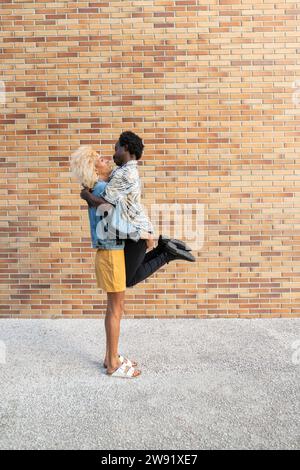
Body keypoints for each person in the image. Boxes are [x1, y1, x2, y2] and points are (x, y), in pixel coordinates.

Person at [71, 132, 195, 378]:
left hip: (112, 252)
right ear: (94, 170)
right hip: (111, 252)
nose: (107, 158)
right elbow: (116, 217)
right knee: (116, 309)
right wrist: (143, 234)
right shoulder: (102, 187)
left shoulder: (98, 187)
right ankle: (113, 365)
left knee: (114, 307)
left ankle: (110, 357)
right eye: (101, 160)